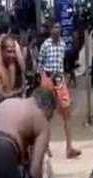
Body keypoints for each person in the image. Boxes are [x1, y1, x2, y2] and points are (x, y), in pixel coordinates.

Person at [37, 21, 80, 159]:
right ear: (50, 29)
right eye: (55, 27)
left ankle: (69, 148)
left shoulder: (62, 44)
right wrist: (45, 81)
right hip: (49, 79)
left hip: (59, 80)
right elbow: (40, 65)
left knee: (67, 112)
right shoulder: (45, 45)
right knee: (46, 115)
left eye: (59, 27)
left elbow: (62, 63)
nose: (58, 30)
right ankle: (45, 147)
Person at [0, 36, 23, 109]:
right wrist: (19, 92)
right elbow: (1, 97)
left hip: (8, 107)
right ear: (2, 51)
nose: (13, 55)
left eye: (14, 52)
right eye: (9, 52)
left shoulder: (11, 66)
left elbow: (10, 89)